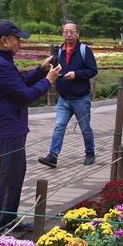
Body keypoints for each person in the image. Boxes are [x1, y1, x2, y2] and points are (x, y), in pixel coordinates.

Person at [0, 21, 59, 243]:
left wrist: (40, 72)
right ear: (5, 40)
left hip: (8, 126)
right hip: (6, 128)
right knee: (7, 176)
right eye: (18, 38)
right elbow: (25, 95)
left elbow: (17, 85)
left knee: (16, 174)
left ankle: (9, 220)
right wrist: (48, 81)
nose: (20, 42)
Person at [38, 20, 97, 168]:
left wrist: (75, 74)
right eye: (66, 31)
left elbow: (92, 70)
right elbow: (54, 68)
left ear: (77, 33)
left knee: (85, 128)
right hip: (63, 99)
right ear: (62, 33)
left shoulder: (84, 50)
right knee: (59, 126)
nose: (69, 34)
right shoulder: (59, 50)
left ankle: (90, 153)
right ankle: (53, 156)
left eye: (72, 31)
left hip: (81, 99)